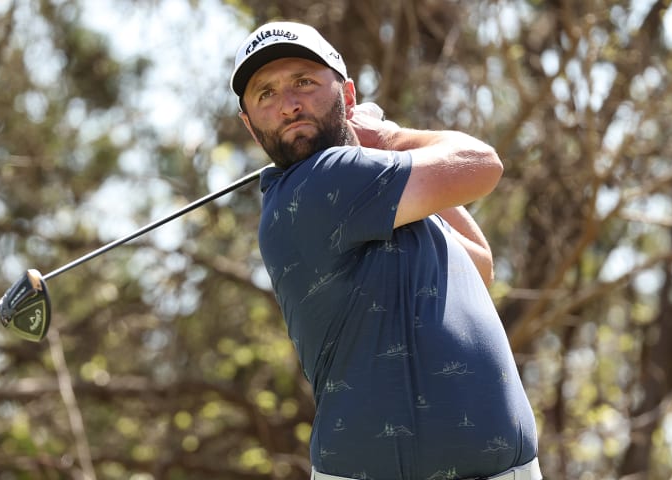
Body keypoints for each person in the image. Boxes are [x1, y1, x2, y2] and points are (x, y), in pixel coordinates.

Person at [230, 21, 540, 480]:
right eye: (265, 95)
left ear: (347, 95)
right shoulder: (323, 181)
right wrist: (389, 137)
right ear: (251, 127)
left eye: (304, 82)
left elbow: (478, 263)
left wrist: (385, 153)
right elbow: (481, 164)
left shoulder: (380, 195)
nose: (289, 105)